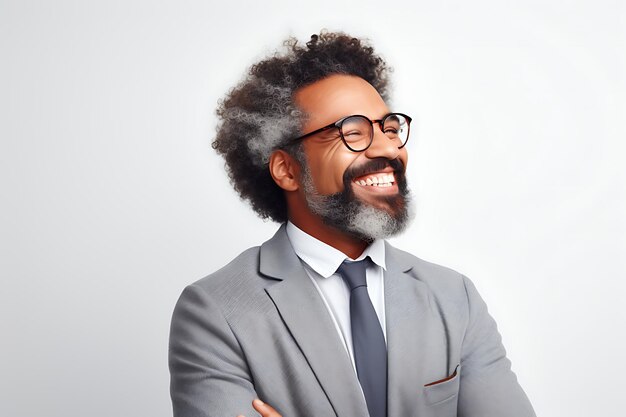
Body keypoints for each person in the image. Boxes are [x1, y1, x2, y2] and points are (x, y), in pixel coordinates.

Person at [168, 31, 536, 417]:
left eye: (390, 128)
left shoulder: (454, 297)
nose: (388, 149)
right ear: (287, 169)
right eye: (353, 132)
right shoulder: (216, 311)